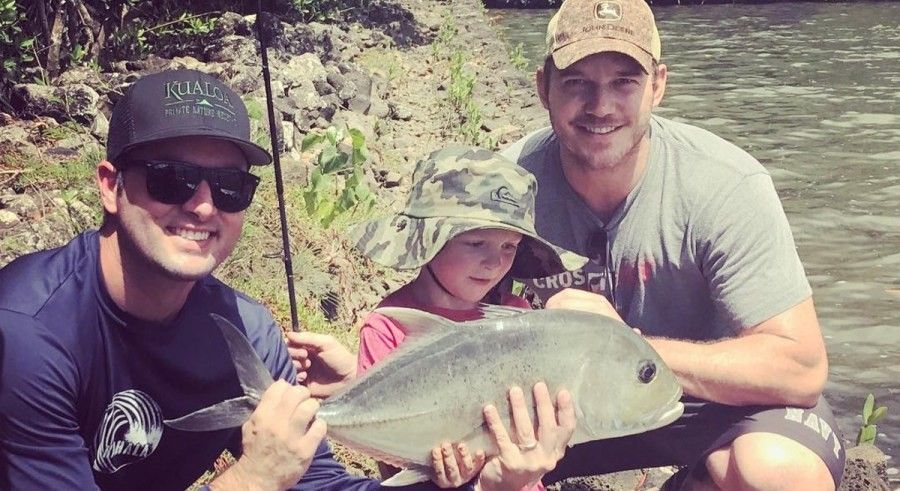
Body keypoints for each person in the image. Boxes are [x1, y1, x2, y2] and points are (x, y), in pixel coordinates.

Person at [0, 69, 570, 491]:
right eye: (171, 179)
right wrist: (253, 478)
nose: (202, 207)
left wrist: (479, 484)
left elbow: (320, 484)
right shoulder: (29, 335)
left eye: (228, 187)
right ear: (109, 185)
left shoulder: (245, 331)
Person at [499, 0, 846, 490]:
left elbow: (802, 368)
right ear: (543, 88)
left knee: (777, 471)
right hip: (556, 412)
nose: (601, 106)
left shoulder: (725, 184)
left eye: (624, 82)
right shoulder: (502, 187)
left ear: (658, 86)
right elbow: (436, 314)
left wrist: (626, 347)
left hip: (703, 406)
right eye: (577, 82)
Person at [350, 146, 587, 487]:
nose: (494, 263)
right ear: (428, 242)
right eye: (476, 244)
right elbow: (388, 463)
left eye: (509, 247)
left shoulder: (518, 317)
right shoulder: (389, 327)